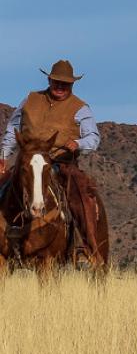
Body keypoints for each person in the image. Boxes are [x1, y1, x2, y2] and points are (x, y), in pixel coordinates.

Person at [0, 60, 107, 264]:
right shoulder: (30, 100)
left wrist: (78, 143)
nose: (60, 86)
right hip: (28, 161)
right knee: (3, 189)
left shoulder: (80, 108)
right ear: (49, 80)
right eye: (57, 82)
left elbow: (93, 138)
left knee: (82, 199)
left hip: (61, 164)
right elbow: (12, 131)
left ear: (72, 85)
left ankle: (85, 248)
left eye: (65, 84)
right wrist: (3, 157)